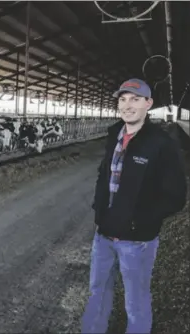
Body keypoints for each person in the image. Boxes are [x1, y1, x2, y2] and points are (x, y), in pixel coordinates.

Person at [80, 78, 187, 334]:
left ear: (148, 104)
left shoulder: (162, 143)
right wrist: (99, 212)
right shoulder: (113, 134)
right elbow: (104, 175)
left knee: (135, 301)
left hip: (137, 241)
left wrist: (141, 221)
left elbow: (176, 196)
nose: (127, 105)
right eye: (123, 99)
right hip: (103, 235)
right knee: (97, 293)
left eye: (135, 99)